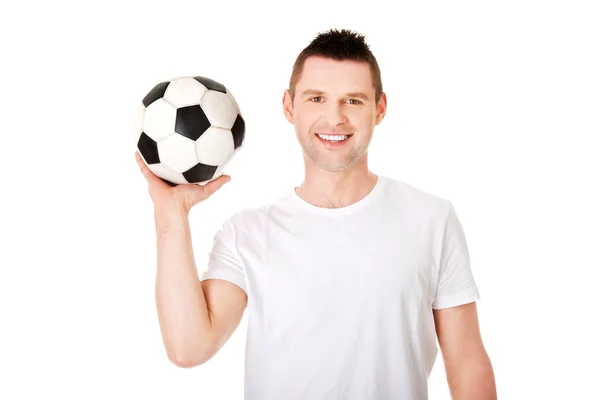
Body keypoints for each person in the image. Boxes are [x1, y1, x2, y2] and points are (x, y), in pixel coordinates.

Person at [135, 28, 497, 400]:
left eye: (353, 101)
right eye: (317, 98)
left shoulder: (431, 220)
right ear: (290, 107)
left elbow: (467, 361)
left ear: (380, 108)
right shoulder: (247, 234)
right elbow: (188, 348)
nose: (334, 117)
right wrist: (170, 217)